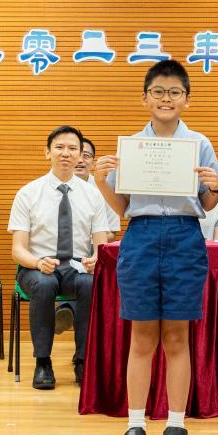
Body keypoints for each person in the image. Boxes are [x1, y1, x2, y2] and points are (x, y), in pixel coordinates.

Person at [95, 59, 218, 435]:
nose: (166, 99)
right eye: (158, 92)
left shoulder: (199, 144)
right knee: (142, 336)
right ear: (145, 98)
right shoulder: (132, 146)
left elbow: (209, 203)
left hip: (185, 236)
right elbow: (123, 207)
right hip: (142, 235)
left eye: (174, 92)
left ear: (186, 99)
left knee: (177, 337)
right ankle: (135, 425)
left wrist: (215, 187)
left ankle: (176, 426)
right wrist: (100, 180)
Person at [9, 125, 110, 389]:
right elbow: (18, 250)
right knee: (44, 284)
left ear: (81, 155)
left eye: (73, 148)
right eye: (60, 147)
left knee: (91, 283)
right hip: (36, 267)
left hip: (76, 267)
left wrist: (95, 259)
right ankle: (43, 362)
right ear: (48, 153)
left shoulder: (93, 196)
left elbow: (101, 245)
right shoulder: (28, 193)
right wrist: (37, 262)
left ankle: (83, 361)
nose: (66, 153)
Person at [55, 136, 120, 337]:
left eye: (87, 156)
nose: (81, 160)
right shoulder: (51, 187)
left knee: (90, 261)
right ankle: (70, 311)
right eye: (78, 154)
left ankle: (67, 308)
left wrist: (92, 242)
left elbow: (112, 232)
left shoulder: (104, 189)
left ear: (93, 162)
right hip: (60, 250)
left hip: (94, 248)